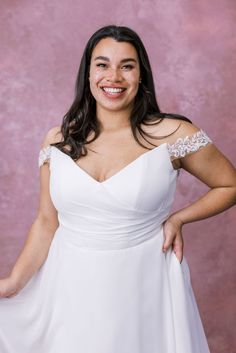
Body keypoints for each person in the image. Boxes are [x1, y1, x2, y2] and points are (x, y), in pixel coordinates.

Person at [0, 24, 235, 353]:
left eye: (127, 66)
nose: (114, 76)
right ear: (88, 74)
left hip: (144, 287)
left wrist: (178, 219)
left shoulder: (173, 134)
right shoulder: (58, 140)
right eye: (102, 65)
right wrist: (14, 281)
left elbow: (229, 184)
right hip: (68, 288)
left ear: (141, 75)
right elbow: (46, 222)